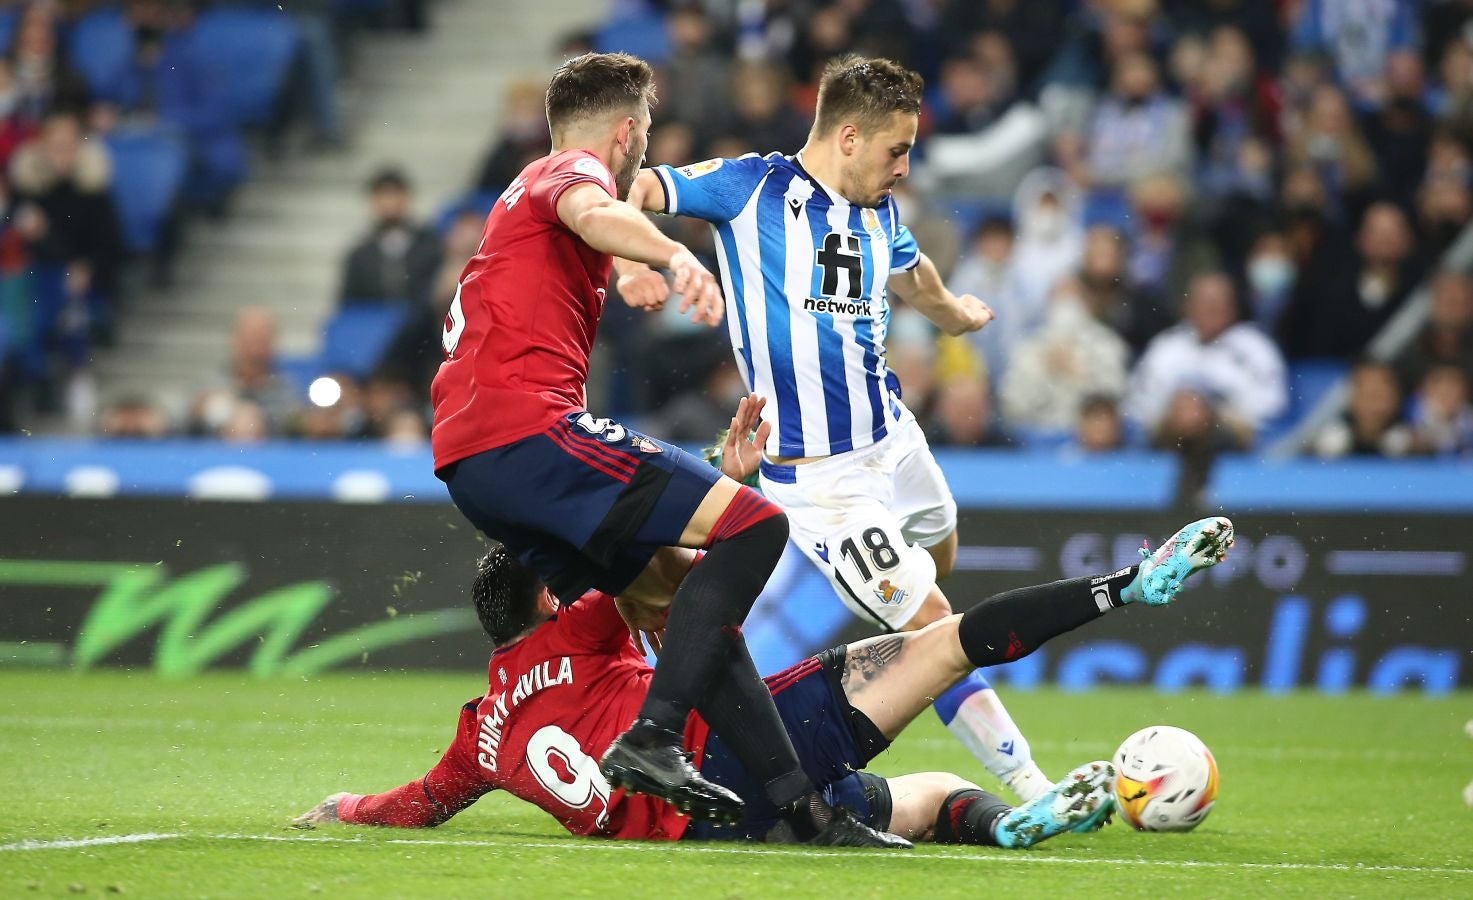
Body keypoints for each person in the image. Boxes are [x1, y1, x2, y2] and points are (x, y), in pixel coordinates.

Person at [429, 52, 888, 846]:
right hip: (526, 432)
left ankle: (804, 812)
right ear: (628, 130)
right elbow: (589, 208)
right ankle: (654, 736)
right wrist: (671, 254)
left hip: (475, 460)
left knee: (678, 603)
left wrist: (625, 260)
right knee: (755, 526)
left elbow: (580, 233)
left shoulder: (519, 202)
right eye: (641, 137)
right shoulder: (570, 172)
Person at [615, 55, 1059, 803]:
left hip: (894, 436)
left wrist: (951, 312)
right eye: (896, 150)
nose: (905, 166)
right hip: (821, 481)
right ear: (848, 137)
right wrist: (631, 259)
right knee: (932, 622)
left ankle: (892, 582)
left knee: (942, 546)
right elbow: (637, 187)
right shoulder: (750, 187)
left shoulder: (878, 210)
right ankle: (1035, 786)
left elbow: (910, 272)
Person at [293, 512, 1235, 844]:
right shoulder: (581, 623)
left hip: (714, 828)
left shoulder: (479, 734)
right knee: (943, 640)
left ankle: (1008, 824)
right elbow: (667, 566)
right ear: (548, 599)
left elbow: (414, 803)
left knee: (932, 793)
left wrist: (346, 807)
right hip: (737, 748)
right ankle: (1128, 586)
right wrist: (721, 496)